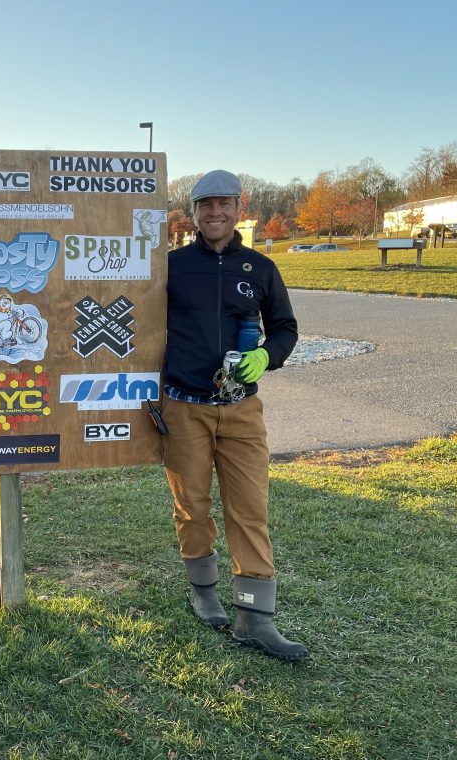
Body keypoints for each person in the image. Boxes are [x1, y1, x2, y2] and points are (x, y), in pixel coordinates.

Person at [161, 170, 308, 661]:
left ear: (239, 208)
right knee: (194, 507)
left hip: (242, 410)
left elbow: (285, 328)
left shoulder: (261, 268)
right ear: (195, 211)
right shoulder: (172, 266)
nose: (215, 213)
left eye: (224, 204)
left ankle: (255, 617)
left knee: (249, 509)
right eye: (206, 205)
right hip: (184, 408)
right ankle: (203, 591)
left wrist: (268, 355)